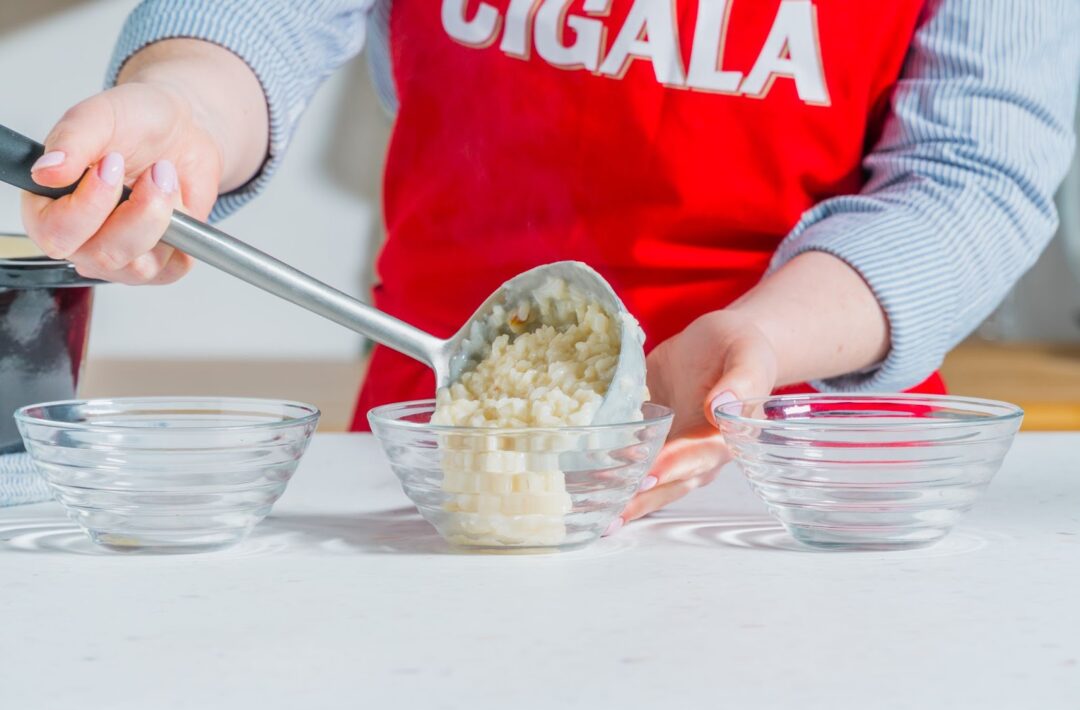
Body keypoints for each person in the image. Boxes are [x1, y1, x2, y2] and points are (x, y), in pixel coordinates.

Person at [22, 1, 1080, 532]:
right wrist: (185, 113)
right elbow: (264, 16)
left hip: (800, 486)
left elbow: (972, 176)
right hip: (441, 457)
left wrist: (773, 337)